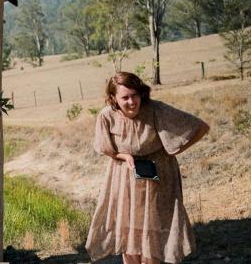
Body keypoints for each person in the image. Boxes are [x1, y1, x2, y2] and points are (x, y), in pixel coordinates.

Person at [86, 72, 209, 264]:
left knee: (153, 233)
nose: (132, 102)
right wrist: (123, 155)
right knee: (129, 232)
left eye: (135, 95)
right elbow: (105, 148)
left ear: (142, 94)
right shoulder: (106, 116)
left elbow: (200, 127)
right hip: (124, 178)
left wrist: (174, 150)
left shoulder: (155, 109)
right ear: (113, 99)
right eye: (124, 97)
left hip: (157, 179)